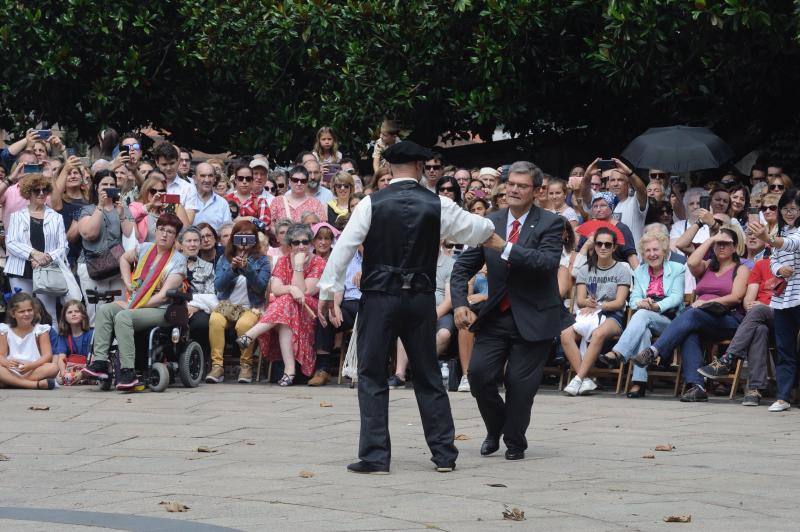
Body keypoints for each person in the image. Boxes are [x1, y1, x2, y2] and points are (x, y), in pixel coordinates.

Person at [317, 141, 496, 474]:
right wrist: (491, 226)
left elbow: (345, 248)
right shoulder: (437, 203)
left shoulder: (371, 203)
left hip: (379, 297)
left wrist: (328, 290)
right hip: (419, 298)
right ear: (417, 166)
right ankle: (444, 454)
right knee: (428, 374)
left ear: (389, 168)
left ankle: (375, 457)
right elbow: (477, 229)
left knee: (372, 375)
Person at [451, 160, 563, 461]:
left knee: (519, 384)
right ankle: (496, 427)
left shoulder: (551, 223)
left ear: (537, 191)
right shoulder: (491, 221)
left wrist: (506, 248)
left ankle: (514, 440)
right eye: (511, 184)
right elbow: (462, 267)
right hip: (496, 316)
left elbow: (546, 264)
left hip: (535, 316)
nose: (513, 190)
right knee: (478, 375)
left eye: (521, 186)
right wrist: (460, 302)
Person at [634, 227, 749, 402]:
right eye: (719, 244)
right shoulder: (708, 265)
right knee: (689, 333)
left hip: (728, 320)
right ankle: (697, 387)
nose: (722, 247)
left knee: (692, 314)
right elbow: (692, 262)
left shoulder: (740, 269)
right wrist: (711, 240)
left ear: (735, 247)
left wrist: (707, 303)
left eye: (726, 244)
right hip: (701, 319)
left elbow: (736, 297)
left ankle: (655, 351)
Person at [81, 214, 187, 390]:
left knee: (123, 317)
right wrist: (128, 283)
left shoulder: (178, 260)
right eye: (161, 229)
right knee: (105, 310)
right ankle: (100, 363)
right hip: (136, 303)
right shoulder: (145, 248)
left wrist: (132, 305)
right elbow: (124, 259)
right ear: (156, 230)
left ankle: (128, 371)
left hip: (160, 309)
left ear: (175, 237)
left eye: (170, 232)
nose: (164, 235)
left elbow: (163, 296)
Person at [597, 231, 685, 398]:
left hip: (671, 322)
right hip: (646, 318)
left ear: (664, 250)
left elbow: (677, 297)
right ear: (643, 254)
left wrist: (656, 306)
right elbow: (633, 298)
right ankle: (639, 382)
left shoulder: (677, 269)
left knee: (642, 315)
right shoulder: (639, 271)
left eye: (655, 249)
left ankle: (618, 353)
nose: (652, 254)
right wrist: (641, 303)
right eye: (648, 251)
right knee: (643, 326)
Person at [237, 224, 325, 386]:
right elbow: (276, 289)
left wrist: (298, 267)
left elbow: (306, 292)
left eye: (305, 242)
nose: (301, 246)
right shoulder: (283, 261)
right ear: (290, 245)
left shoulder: (318, 262)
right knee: (287, 309)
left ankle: (250, 335)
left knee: (287, 301)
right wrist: (291, 288)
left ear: (310, 244)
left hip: (309, 309)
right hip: (287, 312)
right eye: (296, 243)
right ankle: (289, 371)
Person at [560, 228, 631, 396]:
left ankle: (577, 379)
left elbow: (619, 302)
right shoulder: (585, 270)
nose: (603, 247)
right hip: (589, 312)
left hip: (613, 315)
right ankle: (584, 380)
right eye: (599, 243)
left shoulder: (622, 270)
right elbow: (580, 300)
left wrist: (599, 305)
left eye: (608, 244)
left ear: (614, 247)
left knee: (599, 334)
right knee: (565, 333)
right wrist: (589, 302)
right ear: (595, 246)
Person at [746, 193, 800, 412]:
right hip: (783, 299)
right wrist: (779, 269)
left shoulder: (788, 235)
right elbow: (775, 259)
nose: (790, 213)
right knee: (784, 349)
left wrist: (767, 237)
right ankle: (783, 397)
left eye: (794, 209)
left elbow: (791, 244)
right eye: (786, 209)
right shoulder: (780, 231)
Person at [205, 220, 271, 384]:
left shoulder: (262, 261)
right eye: (241, 237)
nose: (244, 242)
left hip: (251, 307)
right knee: (215, 320)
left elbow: (261, 287)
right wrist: (232, 270)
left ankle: (246, 366)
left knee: (244, 325)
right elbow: (219, 285)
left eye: (249, 237)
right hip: (227, 305)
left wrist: (248, 269)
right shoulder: (224, 259)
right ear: (234, 238)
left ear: (255, 239)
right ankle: (217, 366)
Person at [6, 173, 71, 322]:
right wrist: (34, 254)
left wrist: (45, 258)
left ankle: (50, 345)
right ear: (28, 193)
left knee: (49, 314)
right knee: (22, 314)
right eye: (37, 190)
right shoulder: (16, 216)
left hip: (47, 269)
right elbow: (11, 242)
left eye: (44, 190)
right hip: (20, 269)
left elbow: (63, 246)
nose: (41, 194)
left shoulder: (56, 217)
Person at [581, 158, 648, 247]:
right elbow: (585, 193)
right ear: (608, 184)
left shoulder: (634, 202)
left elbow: (642, 191)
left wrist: (629, 173)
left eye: (620, 180)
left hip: (631, 258)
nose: (616, 184)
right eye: (612, 180)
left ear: (628, 183)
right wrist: (587, 176)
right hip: (606, 257)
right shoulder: (600, 202)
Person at [0, 292, 59, 390]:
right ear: (13, 314)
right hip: (11, 370)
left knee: (53, 367)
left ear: (34, 310)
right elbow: (1, 355)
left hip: (34, 369)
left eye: (29, 310)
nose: (26, 314)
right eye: (21, 311)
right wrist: (6, 363)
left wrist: (31, 366)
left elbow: (47, 356)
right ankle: (34, 385)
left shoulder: (41, 330)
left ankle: (9, 382)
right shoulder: (5, 330)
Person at [179, 227, 218, 363]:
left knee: (201, 323)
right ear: (181, 244)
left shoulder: (208, 267)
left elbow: (211, 297)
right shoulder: (171, 263)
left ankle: (198, 362)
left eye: (196, 240)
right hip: (174, 306)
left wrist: (194, 306)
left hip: (198, 310)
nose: (193, 244)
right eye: (188, 241)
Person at [50, 155, 91, 266]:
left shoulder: (90, 201)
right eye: (69, 174)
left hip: (88, 257)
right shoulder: (59, 202)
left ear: (82, 177)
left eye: (75, 173)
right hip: (68, 256)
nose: (72, 176)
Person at [128, 175, 191, 243]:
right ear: (146, 192)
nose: (158, 195)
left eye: (161, 191)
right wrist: (151, 205)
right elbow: (130, 219)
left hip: (166, 251)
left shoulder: (168, 210)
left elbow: (185, 233)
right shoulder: (135, 206)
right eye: (153, 191)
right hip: (144, 251)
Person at [153, 141, 199, 223]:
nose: (168, 168)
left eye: (172, 163)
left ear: (178, 161)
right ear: (157, 163)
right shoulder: (149, 185)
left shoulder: (189, 188)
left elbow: (188, 223)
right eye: (164, 164)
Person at [51, 300, 93, 386]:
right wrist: (63, 372)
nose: (73, 314)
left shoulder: (90, 334)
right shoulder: (63, 336)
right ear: (64, 317)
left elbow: (93, 357)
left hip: (87, 367)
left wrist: (83, 373)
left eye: (77, 311)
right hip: (71, 369)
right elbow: (61, 358)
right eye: (70, 312)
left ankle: (83, 378)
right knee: (59, 379)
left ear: (83, 315)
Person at [225, 163, 271, 227]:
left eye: (248, 179)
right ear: (235, 180)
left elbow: (263, 225)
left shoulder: (260, 201)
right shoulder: (225, 200)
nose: (244, 181)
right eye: (240, 178)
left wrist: (247, 219)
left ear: (252, 181)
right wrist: (251, 219)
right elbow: (221, 223)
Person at [194, 162, 232, 230]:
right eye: (203, 176)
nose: (207, 180)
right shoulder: (187, 200)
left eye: (210, 176)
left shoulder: (222, 203)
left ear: (215, 179)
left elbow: (226, 231)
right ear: (195, 179)